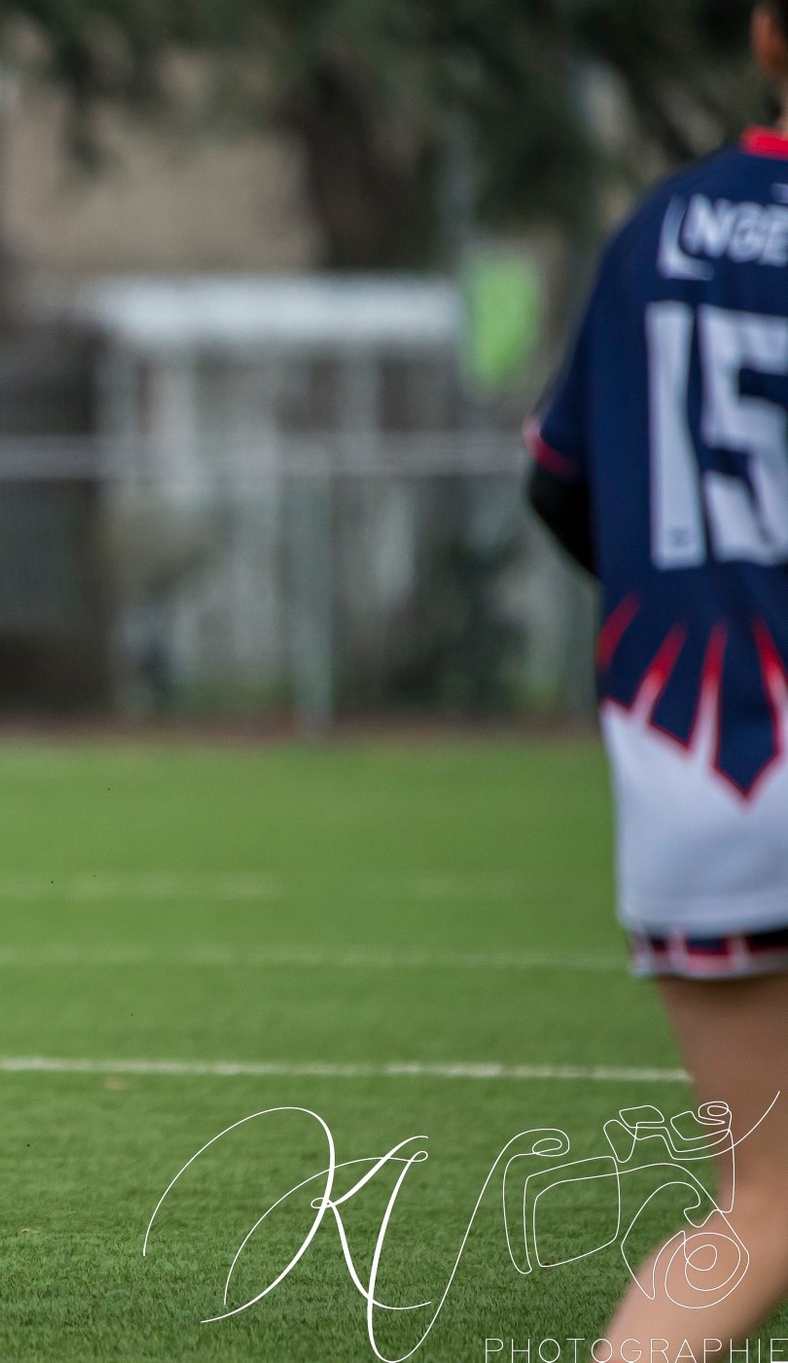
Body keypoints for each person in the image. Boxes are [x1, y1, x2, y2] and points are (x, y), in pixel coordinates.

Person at [528, 5, 788, 1353]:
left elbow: (562, 486)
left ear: (763, 39)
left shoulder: (659, 229)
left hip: (697, 757)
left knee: (761, 1202)